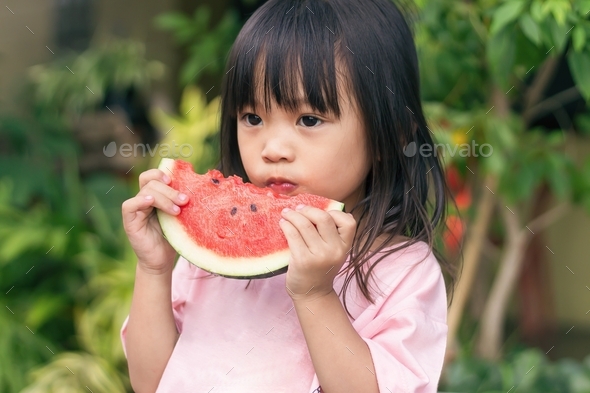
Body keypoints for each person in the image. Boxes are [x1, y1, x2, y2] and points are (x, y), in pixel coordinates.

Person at [120, 0, 457, 392]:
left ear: (392, 134)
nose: (273, 148)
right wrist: (155, 269)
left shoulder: (403, 272)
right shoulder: (205, 266)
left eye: (309, 120)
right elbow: (151, 383)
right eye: (253, 118)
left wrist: (314, 294)